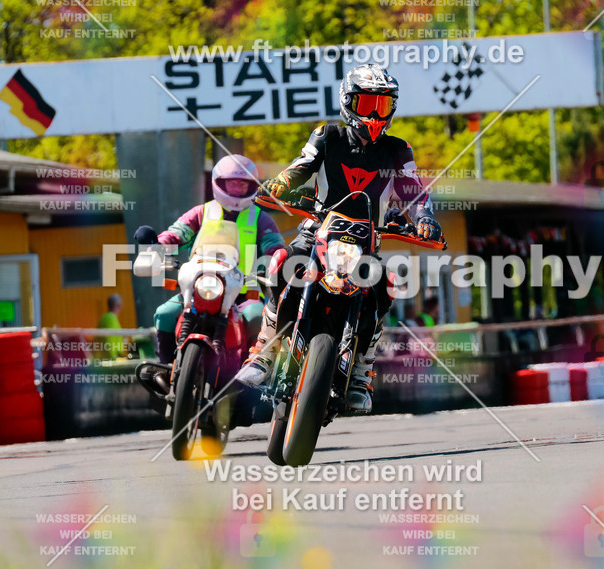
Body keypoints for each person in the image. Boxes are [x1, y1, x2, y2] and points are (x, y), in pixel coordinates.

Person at [234, 64, 442, 414]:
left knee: (385, 286)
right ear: (348, 103)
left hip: (366, 244)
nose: (375, 114)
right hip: (316, 232)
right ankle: (264, 353)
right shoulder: (327, 135)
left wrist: (424, 218)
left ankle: (361, 373)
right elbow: (301, 166)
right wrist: (281, 186)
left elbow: (414, 191)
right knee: (284, 264)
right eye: (366, 104)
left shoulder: (398, 149)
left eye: (383, 105)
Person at [133, 154, 286, 365]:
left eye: (244, 184)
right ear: (220, 183)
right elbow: (177, 233)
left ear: (252, 185)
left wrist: (276, 262)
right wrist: (157, 247)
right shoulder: (201, 213)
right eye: (232, 183)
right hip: (198, 291)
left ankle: (254, 375)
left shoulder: (261, 218)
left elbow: (274, 246)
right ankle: (166, 366)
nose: (238, 189)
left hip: (244, 294)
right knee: (164, 313)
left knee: (256, 319)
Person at [95, 293, 125, 359]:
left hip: (103, 358)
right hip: (112, 360)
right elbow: (109, 341)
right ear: (119, 305)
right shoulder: (112, 319)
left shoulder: (103, 318)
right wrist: (114, 358)